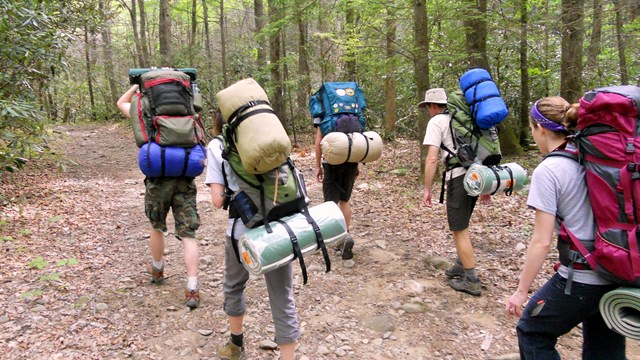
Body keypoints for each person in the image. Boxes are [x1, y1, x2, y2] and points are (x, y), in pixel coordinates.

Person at [505, 96, 626, 359]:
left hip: (583, 277)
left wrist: (521, 291)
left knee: (532, 331)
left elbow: (541, 241)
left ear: (541, 128)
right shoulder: (595, 156)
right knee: (603, 348)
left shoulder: (548, 171)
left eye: (532, 128)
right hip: (617, 270)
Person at [205, 109, 300, 360]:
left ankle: (236, 346)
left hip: (241, 233)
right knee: (282, 294)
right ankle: (287, 356)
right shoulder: (268, 136)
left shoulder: (217, 146)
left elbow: (216, 200)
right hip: (279, 228)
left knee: (234, 285)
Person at [116, 84, 201, 309]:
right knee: (188, 233)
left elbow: (121, 103)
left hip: (158, 179)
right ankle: (192, 288)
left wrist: (136, 85)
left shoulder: (146, 116)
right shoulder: (188, 113)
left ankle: (157, 269)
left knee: (157, 226)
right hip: (184, 177)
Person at [419, 87, 487, 296]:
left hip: (458, 177)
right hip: (476, 176)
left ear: (432, 106)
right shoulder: (464, 119)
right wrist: (486, 185)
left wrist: (427, 188)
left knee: (459, 228)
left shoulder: (436, 121)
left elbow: (431, 158)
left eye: (428, 107)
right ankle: (461, 262)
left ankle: (471, 279)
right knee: (462, 223)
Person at [314, 119, 357, 260]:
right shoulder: (351, 111)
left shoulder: (324, 112)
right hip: (351, 160)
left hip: (331, 162)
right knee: (345, 200)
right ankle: (345, 235)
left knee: (330, 204)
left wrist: (318, 166)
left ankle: (332, 238)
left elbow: (319, 140)